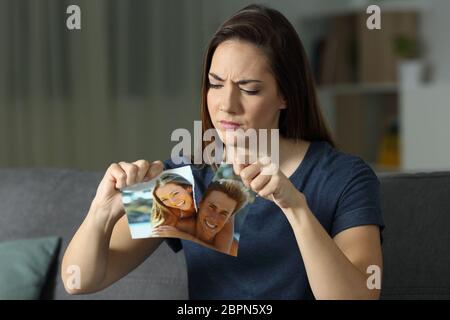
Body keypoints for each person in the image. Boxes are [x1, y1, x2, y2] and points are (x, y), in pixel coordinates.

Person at [61, 4, 384, 299]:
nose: (226, 105)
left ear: (285, 95)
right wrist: (100, 215)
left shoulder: (343, 177)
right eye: (215, 84)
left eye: (248, 89)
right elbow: (79, 281)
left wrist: (296, 208)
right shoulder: (189, 179)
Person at [152, 180, 247, 255]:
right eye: (211, 207)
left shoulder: (226, 208)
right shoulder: (174, 222)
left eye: (175, 193)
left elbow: (222, 252)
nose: (173, 201)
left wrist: (184, 236)